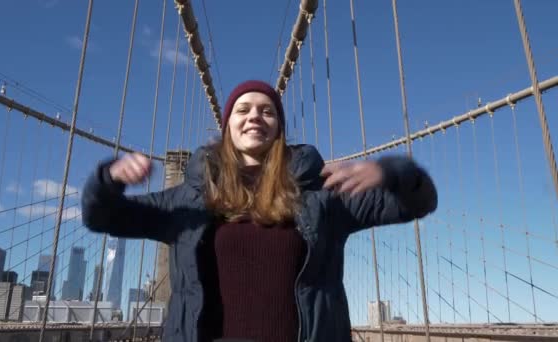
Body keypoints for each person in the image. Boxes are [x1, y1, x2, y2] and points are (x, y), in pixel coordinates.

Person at [81, 80, 437, 342]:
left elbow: (420, 202)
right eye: (243, 109)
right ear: (227, 127)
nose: (255, 117)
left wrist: (392, 172)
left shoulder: (323, 195)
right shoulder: (185, 201)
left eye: (267, 111)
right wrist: (109, 178)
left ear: (279, 128)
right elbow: (101, 216)